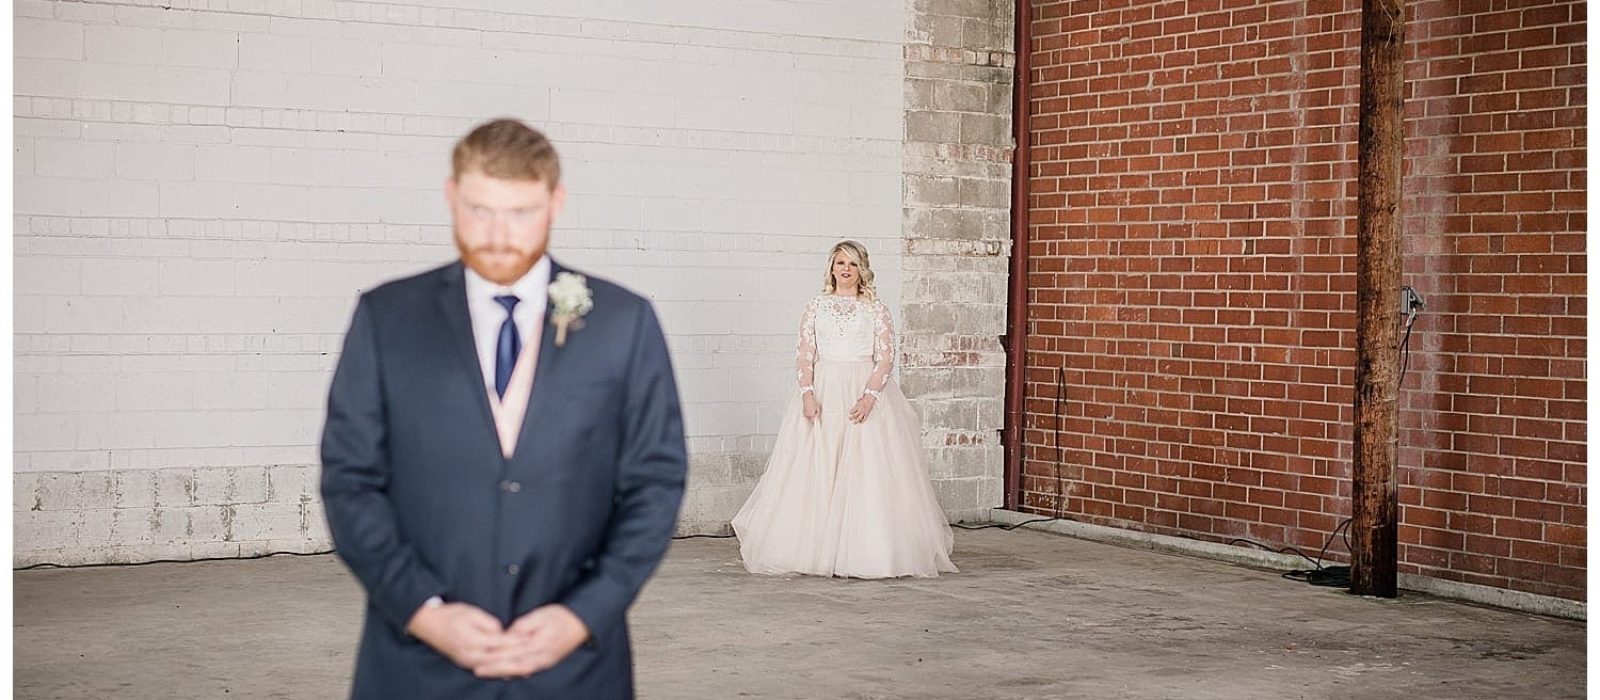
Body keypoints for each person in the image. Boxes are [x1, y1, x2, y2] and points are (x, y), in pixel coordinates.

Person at [320, 118, 687, 699]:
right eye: (479, 210)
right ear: (451, 195)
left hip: (576, 669)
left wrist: (581, 615)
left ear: (555, 202)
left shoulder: (625, 322)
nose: (497, 233)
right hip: (417, 667)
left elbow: (656, 482)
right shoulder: (386, 318)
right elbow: (350, 481)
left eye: (520, 212)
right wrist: (424, 612)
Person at [732, 240, 956, 579]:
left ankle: (866, 551)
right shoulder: (815, 307)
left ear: (862, 269)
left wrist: (869, 397)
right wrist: (808, 393)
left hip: (862, 393)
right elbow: (804, 355)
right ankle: (813, 548)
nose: (846, 269)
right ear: (832, 268)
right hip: (824, 391)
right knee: (818, 466)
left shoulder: (876, 309)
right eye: (840, 263)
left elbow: (885, 358)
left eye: (852, 263)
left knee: (866, 470)